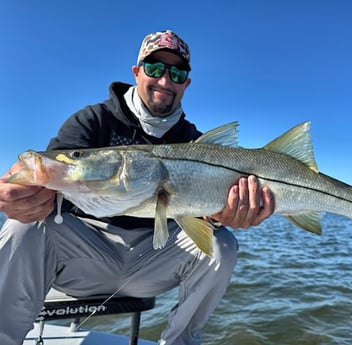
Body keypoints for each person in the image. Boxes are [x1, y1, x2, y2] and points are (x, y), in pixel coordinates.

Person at [0, 30, 275, 345]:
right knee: (23, 226)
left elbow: (203, 219)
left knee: (221, 245)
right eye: (155, 68)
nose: (165, 80)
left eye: (178, 72)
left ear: (187, 82)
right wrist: (13, 193)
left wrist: (224, 215)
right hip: (83, 256)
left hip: (154, 262)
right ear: (137, 72)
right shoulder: (93, 120)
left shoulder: (197, 144)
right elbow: (47, 172)